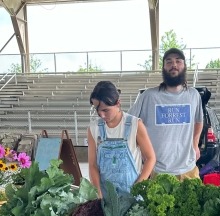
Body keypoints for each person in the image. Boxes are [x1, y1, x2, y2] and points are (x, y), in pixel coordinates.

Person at [128, 48, 203, 179]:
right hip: (157, 170)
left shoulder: (193, 95)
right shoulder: (149, 96)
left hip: (188, 169)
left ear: (184, 66)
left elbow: (198, 120)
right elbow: (130, 124)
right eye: (169, 62)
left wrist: (195, 144)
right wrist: (141, 149)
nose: (174, 65)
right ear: (163, 68)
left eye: (178, 61)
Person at [87, 81, 156, 198]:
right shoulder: (93, 128)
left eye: (105, 110)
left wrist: (139, 186)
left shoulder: (135, 124)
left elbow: (151, 158)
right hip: (105, 196)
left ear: (118, 103)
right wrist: (98, 193)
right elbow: (92, 165)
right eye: (97, 111)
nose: (101, 115)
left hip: (132, 195)